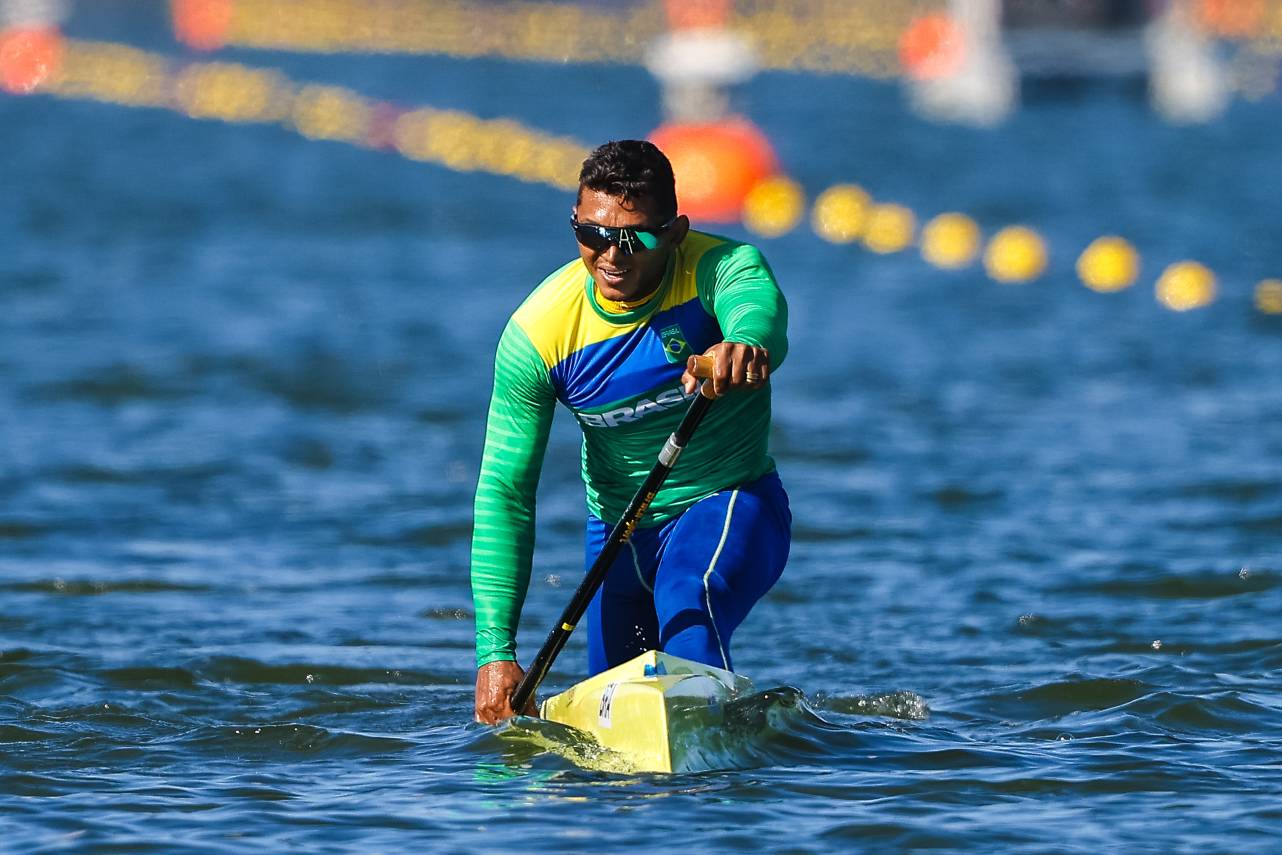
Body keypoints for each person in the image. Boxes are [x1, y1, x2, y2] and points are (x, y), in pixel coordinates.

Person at [472, 139, 790, 724]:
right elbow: (506, 491)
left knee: (688, 598)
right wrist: (495, 653)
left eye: (634, 238)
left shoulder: (723, 267)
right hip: (616, 535)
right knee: (610, 713)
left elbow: (758, 312)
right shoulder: (538, 335)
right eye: (591, 234)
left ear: (675, 233)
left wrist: (743, 345)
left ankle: (713, 757)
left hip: (729, 502)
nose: (611, 256)